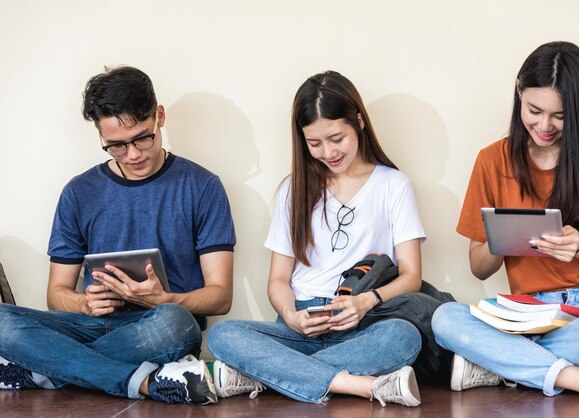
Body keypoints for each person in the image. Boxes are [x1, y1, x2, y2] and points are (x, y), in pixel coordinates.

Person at [0, 66, 236, 405]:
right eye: (117, 146)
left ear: (160, 117)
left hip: (158, 327)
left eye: (143, 137)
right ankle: (139, 381)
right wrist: (83, 303)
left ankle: (45, 369)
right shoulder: (78, 192)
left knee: (176, 323)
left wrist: (163, 299)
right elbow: (57, 294)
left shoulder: (202, 186)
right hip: (90, 325)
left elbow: (220, 296)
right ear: (100, 136)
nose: (134, 154)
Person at [207, 71, 425, 407]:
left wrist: (366, 302)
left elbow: (412, 276)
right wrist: (290, 314)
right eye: (314, 143)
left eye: (337, 138)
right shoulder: (292, 190)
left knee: (404, 337)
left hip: (361, 318)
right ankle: (360, 385)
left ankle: (266, 377)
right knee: (224, 335)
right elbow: (278, 280)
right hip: (300, 325)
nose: (328, 152)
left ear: (360, 123)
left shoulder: (393, 185)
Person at [432, 41, 579, 401]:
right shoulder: (492, 160)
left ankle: (501, 366)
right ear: (519, 89)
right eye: (534, 110)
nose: (545, 125)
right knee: (444, 318)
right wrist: (504, 238)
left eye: (561, 116)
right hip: (526, 317)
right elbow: (479, 268)